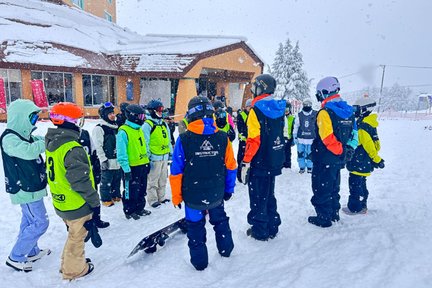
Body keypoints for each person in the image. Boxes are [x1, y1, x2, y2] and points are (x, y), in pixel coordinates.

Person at [170, 96, 236, 271]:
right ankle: (226, 249)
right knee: (220, 220)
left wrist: (176, 197)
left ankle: (200, 262)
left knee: (195, 228)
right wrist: (229, 189)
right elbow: (231, 166)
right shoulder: (222, 137)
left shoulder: (184, 139)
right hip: (216, 193)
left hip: (193, 195)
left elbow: (176, 172)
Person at [45, 102, 103, 280]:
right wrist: (94, 202)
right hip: (76, 202)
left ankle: (68, 262)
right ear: (70, 122)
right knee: (77, 238)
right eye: (77, 119)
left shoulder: (54, 142)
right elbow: (81, 181)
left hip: (62, 199)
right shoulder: (72, 147)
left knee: (73, 234)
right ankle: (74, 270)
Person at [0, 99, 50, 272]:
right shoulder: (10, 138)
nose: (35, 122)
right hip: (24, 188)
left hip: (31, 186)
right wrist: (47, 143)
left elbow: (39, 140)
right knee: (40, 222)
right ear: (21, 117)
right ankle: (16, 256)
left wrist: (51, 137)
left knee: (29, 220)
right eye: (32, 118)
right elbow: (28, 151)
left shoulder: (25, 135)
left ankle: (31, 251)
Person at [239, 74, 286, 241]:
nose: (253, 91)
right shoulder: (279, 109)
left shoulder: (256, 110)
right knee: (269, 194)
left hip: (259, 161)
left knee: (258, 195)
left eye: (255, 87)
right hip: (273, 159)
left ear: (261, 88)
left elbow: (253, 139)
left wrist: (246, 160)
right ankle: (273, 225)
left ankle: (260, 229)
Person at [308, 77, 358, 228]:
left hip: (324, 158)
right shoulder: (349, 111)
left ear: (324, 92)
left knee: (321, 186)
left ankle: (323, 217)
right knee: (334, 185)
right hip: (339, 159)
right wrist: (348, 149)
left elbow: (327, 137)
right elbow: (355, 134)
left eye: (318, 94)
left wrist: (340, 151)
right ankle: (333, 213)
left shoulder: (325, 112)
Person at [344, 97, 384, 214]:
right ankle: (362, 205)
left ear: (365, 109)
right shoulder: (370, 123)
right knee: (361, 184)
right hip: (363, 162)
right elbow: (376, 145)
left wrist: (377, 159)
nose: (354, 111)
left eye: (357, 109)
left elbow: (369, 146)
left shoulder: (362, 127)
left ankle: (355, 207)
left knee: (355, 186)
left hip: (358, 161)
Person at [116, 104, 151, 220]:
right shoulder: (123, 132)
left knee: (142, 188)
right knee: (130, 190)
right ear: (133, 116)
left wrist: (147, 162)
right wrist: (126, 169)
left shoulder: (138, 129)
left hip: (142, 164)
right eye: (141, 116)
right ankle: (129, 210)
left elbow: (144, 147)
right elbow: (121, 154)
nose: (143, 119)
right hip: (131, 167)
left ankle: (140, 208)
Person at [143, 99, 172, 208]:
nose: (161, 112)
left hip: (164, 156)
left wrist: (170, 152)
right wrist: (148, 156)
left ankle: (161, 197)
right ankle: (153, 199)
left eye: (162, 110)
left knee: (163, 178)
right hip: (154, 157)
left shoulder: (163, 124)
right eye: (158, 110)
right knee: (153, 179)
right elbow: (145, 142)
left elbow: (168, 139)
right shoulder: (148, 125)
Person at [78, 128, 110, 229]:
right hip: (75, 175)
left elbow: (93, 153)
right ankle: (80, 225)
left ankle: (96, 220)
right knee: (78, 200)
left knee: (94, 197)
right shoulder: (63, 136)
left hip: (89, 173)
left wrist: (97, 171)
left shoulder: (84, 133)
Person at [92, 102, 122, 207]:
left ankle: (116, 195)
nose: (113, 115)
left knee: (117, 179)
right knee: (106, 181)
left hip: (117, 159)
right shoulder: (100, 128)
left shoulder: (116, 127)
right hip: (107, 159)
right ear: (104, 115)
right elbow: (98, 146)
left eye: (113, 113)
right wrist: (102, 160)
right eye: (110, 114)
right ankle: (105, 198)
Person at [293, 99, 317, 173]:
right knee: (301, 154)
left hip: (311, 139)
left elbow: (318, 126)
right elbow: (296, 126)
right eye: (305, 105)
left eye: (308, 105)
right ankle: (302, 167)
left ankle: (310, 167)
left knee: (310, 154)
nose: (307, 106)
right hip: (301, 139)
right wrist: (295, 136)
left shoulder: (315, 114)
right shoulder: (299, 115)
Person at [236, 98, 252, 181]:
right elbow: (241, 128)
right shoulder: (241, 115)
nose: (250, 108)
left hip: (251, 142)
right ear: (246, 107)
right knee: (241, 159)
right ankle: (240, 176)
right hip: (243, 141)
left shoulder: (254, 114)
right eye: (249, 106)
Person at [283, 100, 295, 169]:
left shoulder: (292, 118)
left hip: (289, 138)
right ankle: (281, 164)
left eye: (287, 110)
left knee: (288, 152)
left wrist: (292, 140)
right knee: (281, 152)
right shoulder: (281, 118)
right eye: (284, 110)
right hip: (282, 137)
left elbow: (293, 130)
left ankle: (287, 164)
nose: (286, 111)